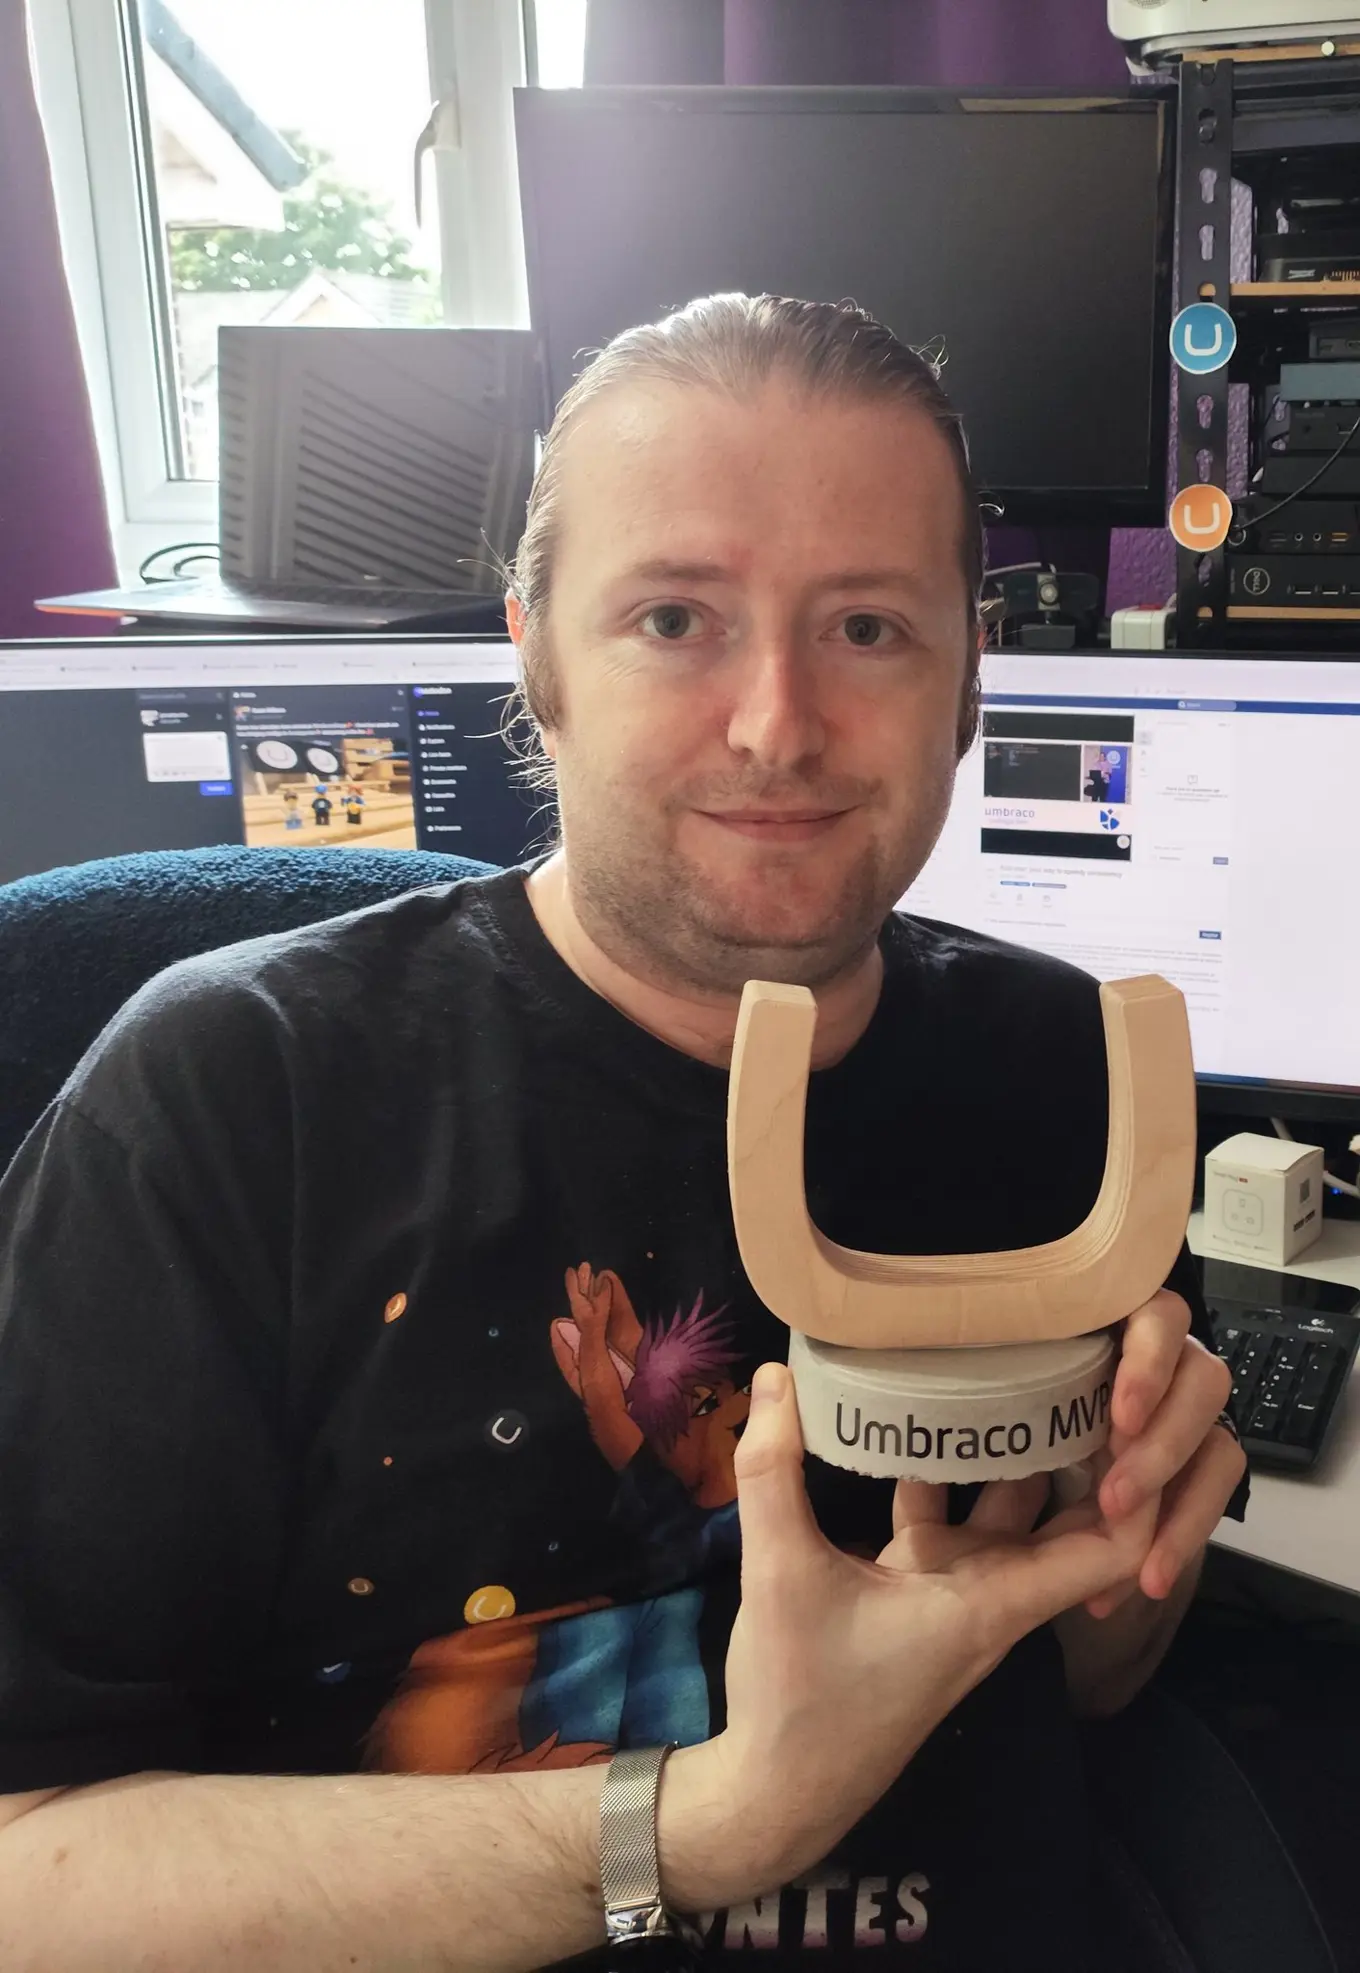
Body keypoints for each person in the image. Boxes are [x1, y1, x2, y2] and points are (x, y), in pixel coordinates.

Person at [0, 295, 1246, 1971]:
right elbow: (32, 1868)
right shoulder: (236, 1097)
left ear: (969, 681)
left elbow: (1078, 1688)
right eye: (675, 618)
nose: (778, 725)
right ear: (533, 655)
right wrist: (709, 1822)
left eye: (869, 628)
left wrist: (1120, 1569)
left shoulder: (1066, 1070)